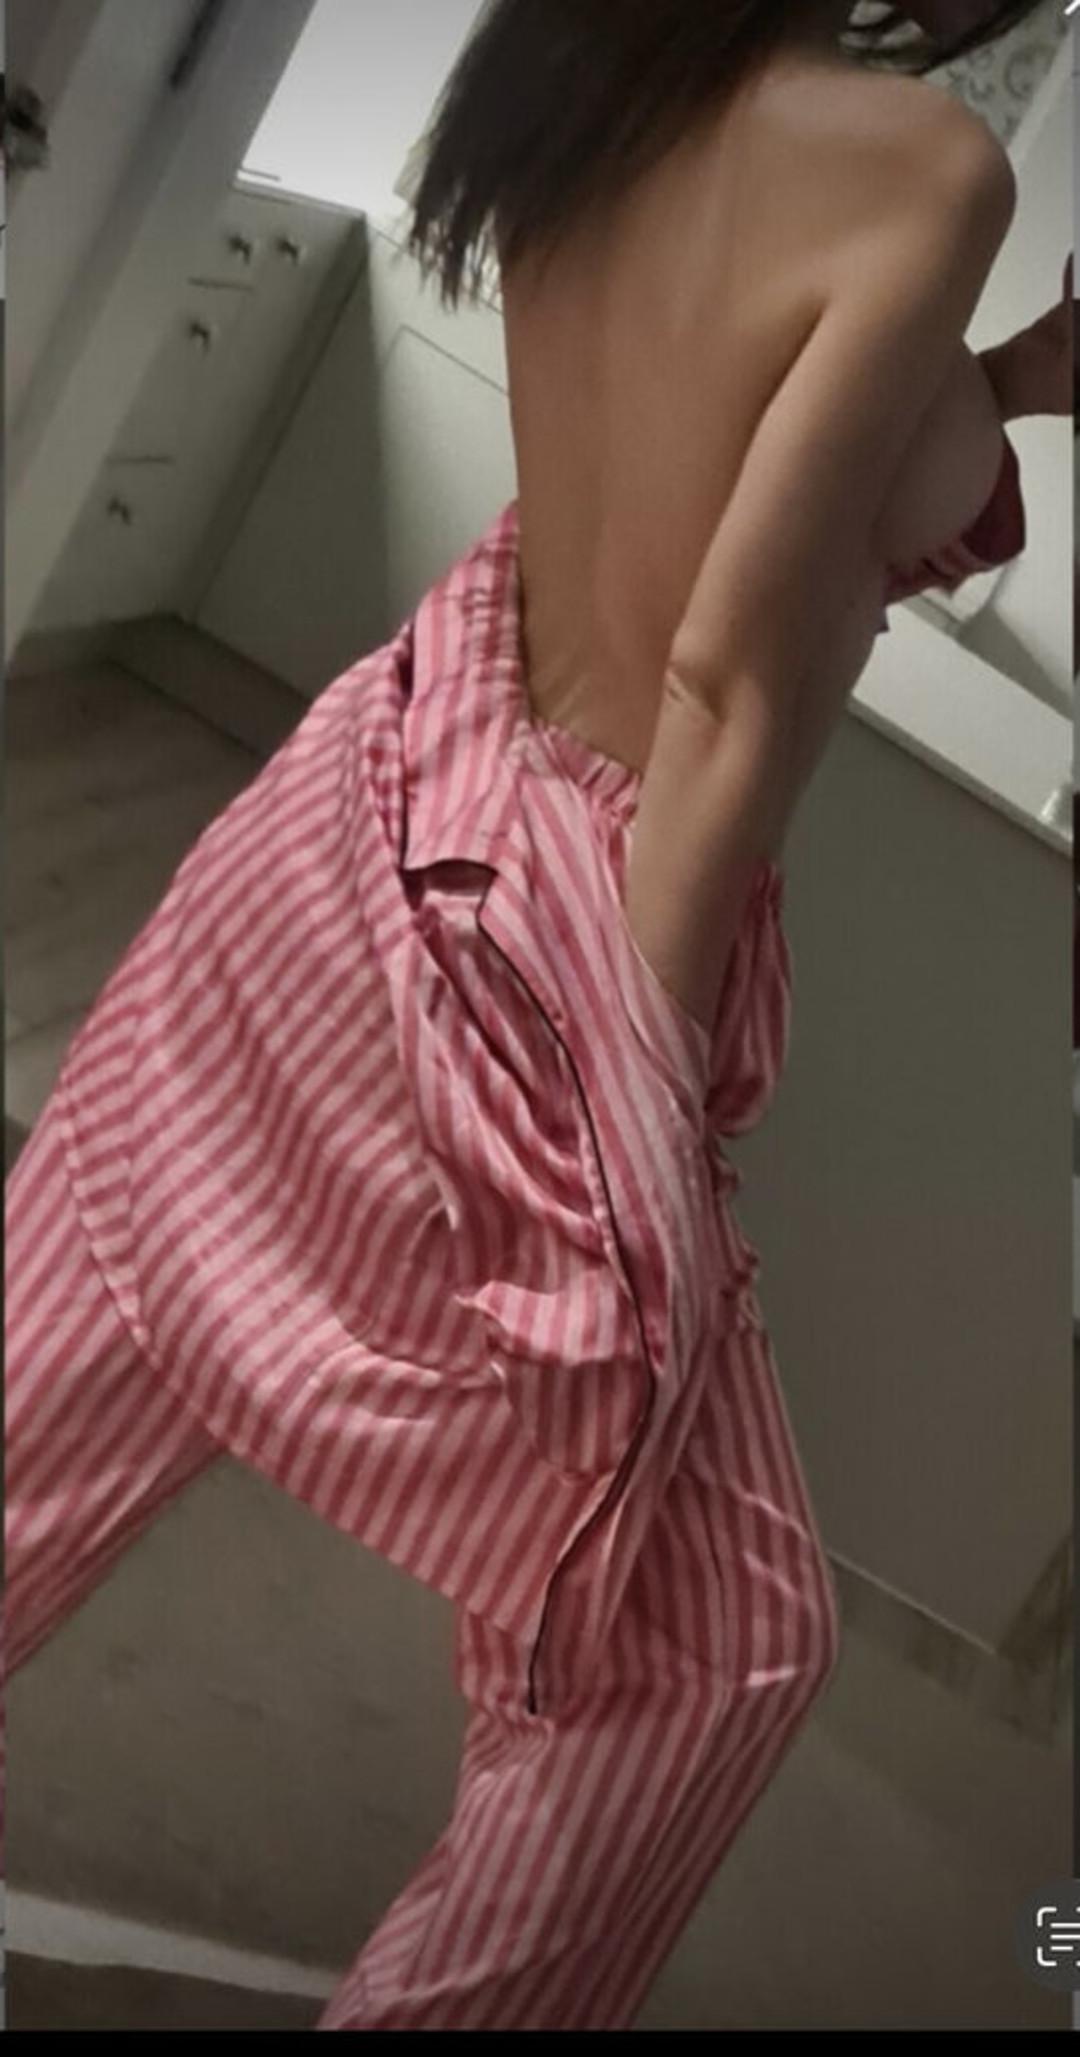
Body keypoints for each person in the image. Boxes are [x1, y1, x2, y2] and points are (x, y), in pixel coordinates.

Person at [5, 0, 1070, 2032]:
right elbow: (724, 685)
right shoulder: (929, 166)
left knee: (80, 1320)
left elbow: (741, 456)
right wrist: (638, 1140)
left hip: (376, 796)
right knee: (714, 1646)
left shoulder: (603, 63)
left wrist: (1011, 384)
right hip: (559, 917)